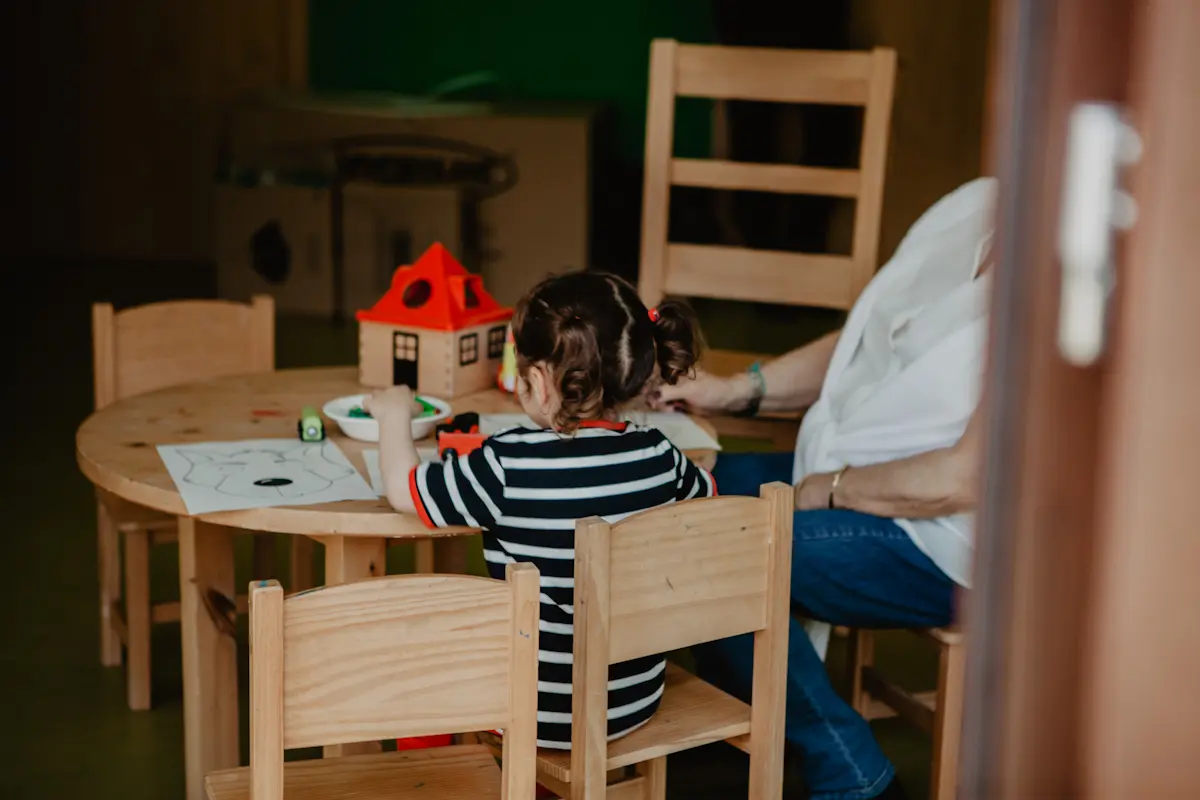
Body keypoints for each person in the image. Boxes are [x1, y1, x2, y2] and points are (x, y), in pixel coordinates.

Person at [654, 177, 997, 799]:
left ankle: (851, 772)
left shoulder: (1073, 286)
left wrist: (833, 489)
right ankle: (743, 726)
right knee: (666, 496)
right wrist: (739, 389)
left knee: (719, 551)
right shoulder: (974, 207)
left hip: (953, 539)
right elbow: (865, 342)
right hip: (842, 465)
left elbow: (964, 478)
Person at [367, 271, 717, 750]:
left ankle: (435, 782)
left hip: (535, 709)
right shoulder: (661, 456)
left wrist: (393, 415)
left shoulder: (509, 463)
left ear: (537, 382)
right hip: (633, 699)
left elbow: (406, 491)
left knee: (419, 655)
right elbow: (709, 498)